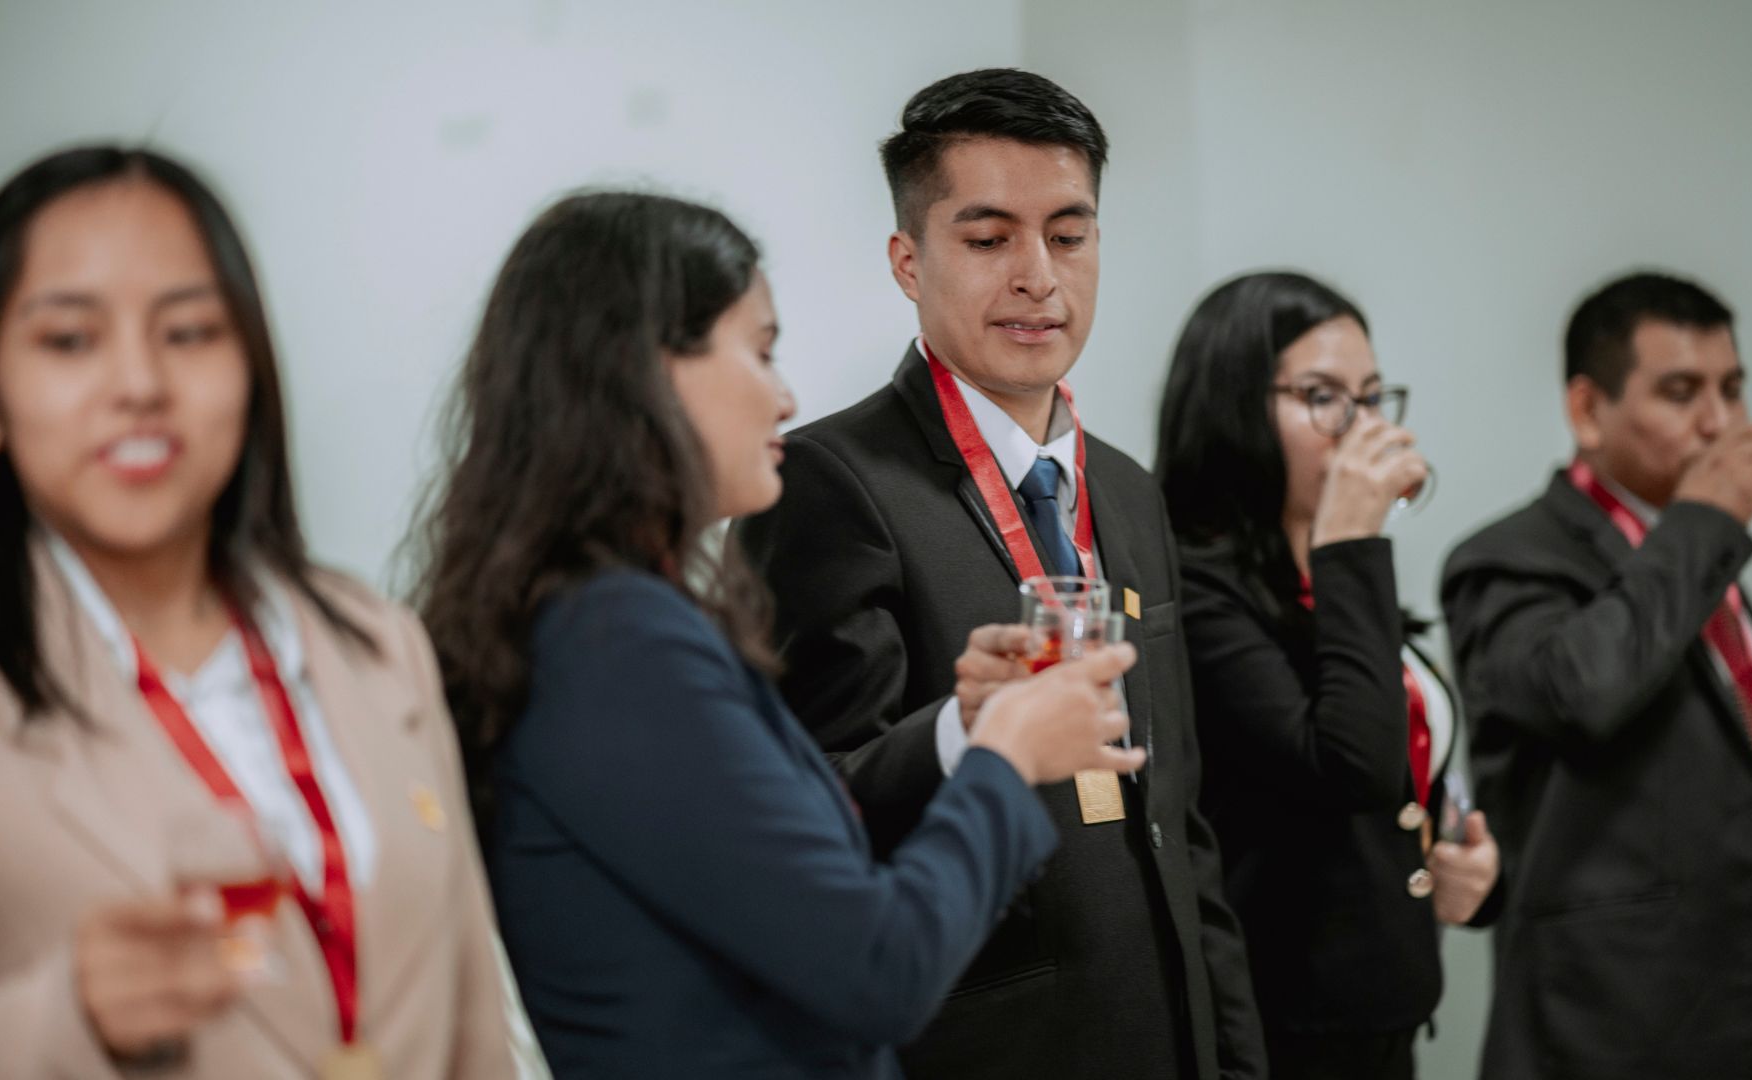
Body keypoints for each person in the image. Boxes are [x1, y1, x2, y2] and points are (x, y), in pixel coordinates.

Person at [413, 190, 1145, 1080]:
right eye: (760, 351)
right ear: (645, 373)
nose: (785, 394)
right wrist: (1004, 759)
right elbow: (877, 966)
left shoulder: (605, 621)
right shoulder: (620, 643)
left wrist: (970, 723)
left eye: (1069, 236)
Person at [0, 145, 518, 1077]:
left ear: (251, 373)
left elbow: (473, 1019)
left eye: (189, 332)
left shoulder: (377, 644)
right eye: (70, 340)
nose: (140, 384)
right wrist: (72, 1016)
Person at [737, 69, 1263, 1079]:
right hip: (982, 1044)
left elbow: (1181, 826)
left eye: (1069, 235)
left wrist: (1233, 1054)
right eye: (988, 240)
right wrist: (969, 732)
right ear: (907, 260)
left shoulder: (1129, 491)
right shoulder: (828, 484)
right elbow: (813, 801)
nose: (1038, 277)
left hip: (1166, 1035)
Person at [1441, 270, 1752, 1080]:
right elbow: (1585, 691)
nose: (1719, 424)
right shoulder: (1508, 559)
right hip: (1623, 1034)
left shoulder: (1694, 560)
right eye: (1682, 392)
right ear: (1587, 409)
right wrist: (1707, 520)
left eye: (1732, 389)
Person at [1156, 271, 1500, 1079]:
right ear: (1237, 407)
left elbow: (1400, 783)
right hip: (1278, 1027)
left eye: (1373, 397)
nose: (1361, 428)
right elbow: (1350, 762)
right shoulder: (1198, 586)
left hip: (1382, 1013)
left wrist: (1468, 872)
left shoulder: (1335, 574)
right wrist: (1351, 538)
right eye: (1323, 397)